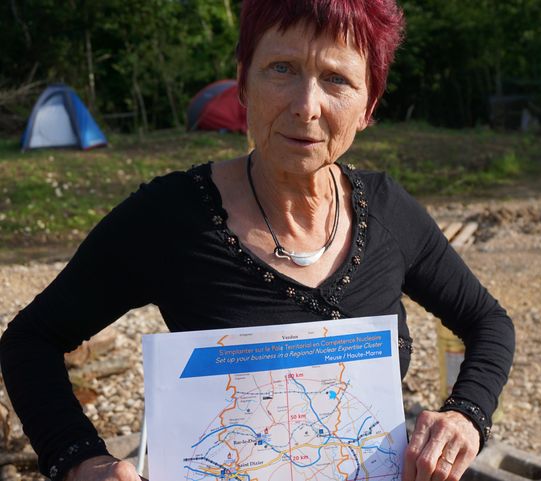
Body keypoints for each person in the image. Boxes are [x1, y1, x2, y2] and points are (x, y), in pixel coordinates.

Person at [0, 1, 515, 480]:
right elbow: (30, 341)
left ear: (368, 105)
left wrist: (466, 415)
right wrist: (79, 459)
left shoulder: (387, 210)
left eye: (336, 79)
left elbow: (488, 322)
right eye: (282, 69)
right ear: (243, 83)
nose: (306, 106)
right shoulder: (171, 219)